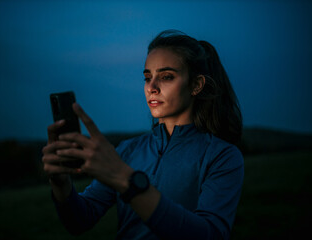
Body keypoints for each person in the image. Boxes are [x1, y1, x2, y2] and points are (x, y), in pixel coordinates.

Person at [42, 30, 244, 240]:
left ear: (196, 85)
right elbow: (80, 221)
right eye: (147, 77)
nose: (152, 88)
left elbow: (211, 235)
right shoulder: (128, 151)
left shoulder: (222, 156)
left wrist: (126, 180)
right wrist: (61, 183)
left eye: (166, 77)